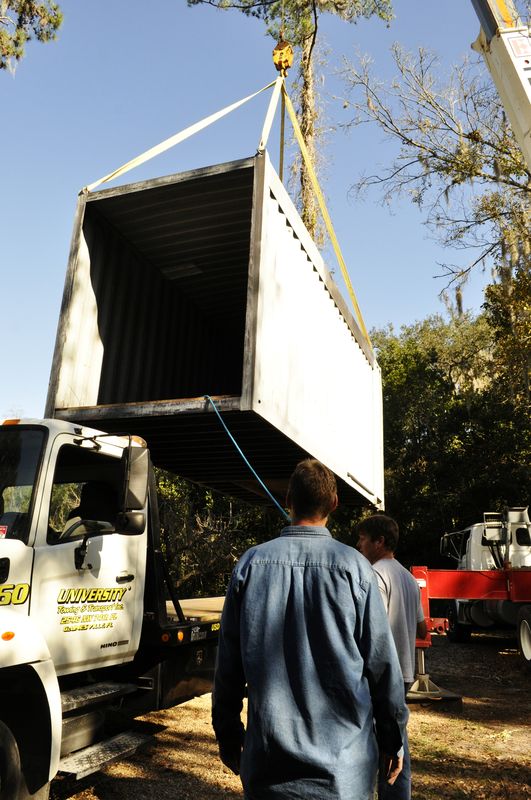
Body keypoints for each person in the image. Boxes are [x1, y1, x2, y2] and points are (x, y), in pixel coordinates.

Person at [212, 459, 409, 800]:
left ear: (288, 500)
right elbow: (382, 666)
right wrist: (393, 739)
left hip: (269, 769)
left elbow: (227, 665)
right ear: (334, 503)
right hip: (343, 774)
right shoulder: (356, 569)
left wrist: (228, 735)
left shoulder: (250, 565)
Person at [356, 514, 428, 800]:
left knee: (375, 746)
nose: (358, 545)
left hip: (381, 676)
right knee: (397, 742)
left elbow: (373, 630)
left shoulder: (375, 575)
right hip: (405, 673)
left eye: (363, 539)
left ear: (379, 542)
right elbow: (422, 628)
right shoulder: (408, 578)